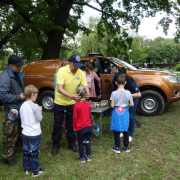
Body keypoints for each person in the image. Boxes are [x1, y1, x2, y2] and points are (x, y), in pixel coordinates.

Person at [51, 54, 89, 155]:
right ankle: (55, 144)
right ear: (69, 63)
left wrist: (87, 93)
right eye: (74, 65)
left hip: (72, 103)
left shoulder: (80, 73)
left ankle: (71, 143)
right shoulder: (62, 71)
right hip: (60, 102)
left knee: (71, 124)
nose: (76, 67)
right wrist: (71, 96)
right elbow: (60, 89)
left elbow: (85, 86)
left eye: (78, 65)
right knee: (57, 123)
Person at [0, 54, 25, 166]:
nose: (20, 68)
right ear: (11, 65)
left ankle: (18, 148)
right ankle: (7, 157)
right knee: (10, 132)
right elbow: (2, 96)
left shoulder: (16, 74)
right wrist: (19, 97)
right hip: (11, 109)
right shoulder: (4, 77)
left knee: (19, 129)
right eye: (18, 66)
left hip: (19, 107)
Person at [20, 85, 46, 177]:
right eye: (36, 95)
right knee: (34, 152)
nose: (36, 97)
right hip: (34, 133)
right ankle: (35, 171)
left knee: (26, 151)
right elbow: (39, 119)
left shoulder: (22, 105)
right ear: (32, 95)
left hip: (25, 133)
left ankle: (26, 168)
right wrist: (40, 110)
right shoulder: (35, 106)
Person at [113, 72, 142, 142]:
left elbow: (139, 94)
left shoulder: (131, 82)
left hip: (133, 98)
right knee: (124, 115)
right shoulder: (115, 82)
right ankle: (123, 130)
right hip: (124, 98)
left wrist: (127, 95)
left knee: (131, 116)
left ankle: (130, 134)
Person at [110, 74, 134, 153]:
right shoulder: (128, 93)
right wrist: (127, 105)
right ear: (125, 82)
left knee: (116, 130)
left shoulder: (114, 93)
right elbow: (132, 104)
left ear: (116, 83)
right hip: (125, 112)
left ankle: (117, 147)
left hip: (117, 112)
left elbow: (112, 105)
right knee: (125, 129)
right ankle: (126, 147)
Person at [73, 86, 92, 163]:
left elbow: (75, 117)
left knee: (81, 143)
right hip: (88, 126)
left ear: (77, 95)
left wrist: (74, 126)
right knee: (87, 142)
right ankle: (88, 156)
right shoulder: (88, 103)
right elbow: (89, 114)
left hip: (80, 127)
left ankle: (82, 158)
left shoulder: (76, 105)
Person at [54, 59, 69, 128]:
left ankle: (61, 123)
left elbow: (55, 86)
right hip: (64, 96)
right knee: (65, 112)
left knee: (59, 114)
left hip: (57, 96)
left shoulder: (56, 74)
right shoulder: (64, 74)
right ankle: (65, 123)